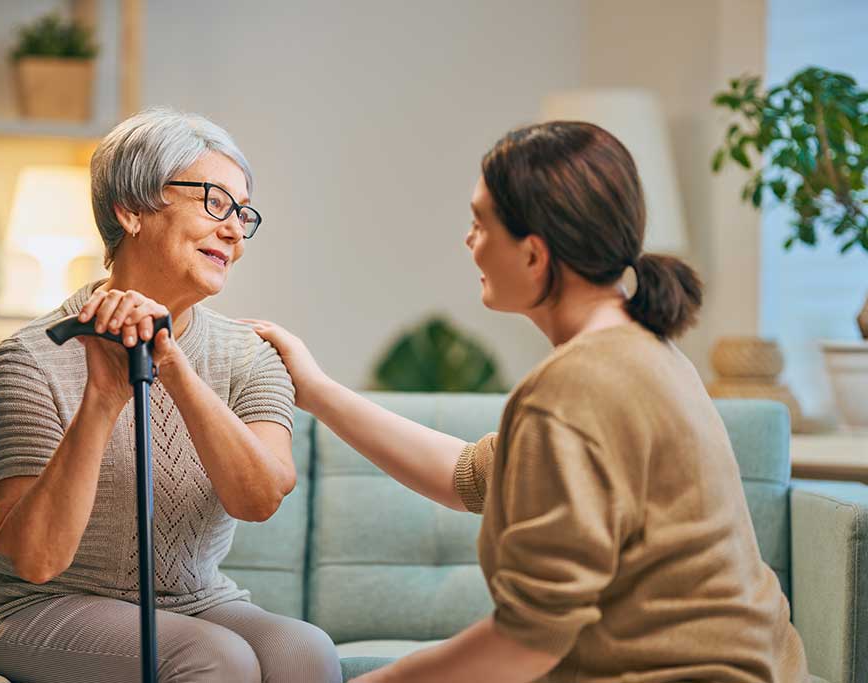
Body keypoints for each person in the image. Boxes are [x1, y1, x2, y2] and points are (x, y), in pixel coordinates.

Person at [246, 121, 809, 683]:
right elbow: (467, 474)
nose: (469, 241)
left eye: (479, 223)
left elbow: (527, 642)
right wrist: (316, 390)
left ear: (535, 254)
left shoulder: (576, 387)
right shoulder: (646, 353)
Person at [0, 107, 341, 683]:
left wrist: (173, 364)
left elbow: (259, 498)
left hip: (195, 601)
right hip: (37, 608)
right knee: (216, 658)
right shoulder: (32, 355)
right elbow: (36, 561)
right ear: (131, 209)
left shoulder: (250, 354)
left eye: (242, 213)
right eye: (214, 202)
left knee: (305, 652)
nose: (234, 230)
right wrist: (103, 396)